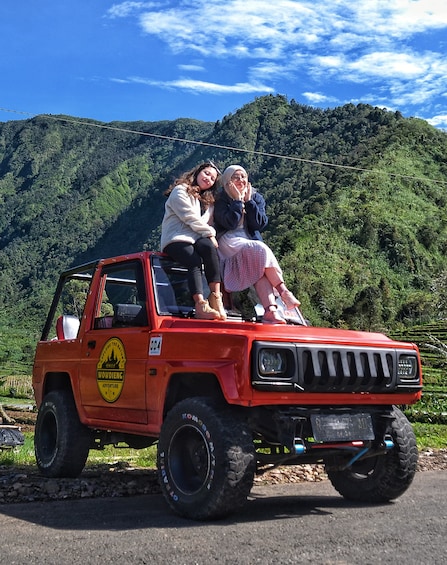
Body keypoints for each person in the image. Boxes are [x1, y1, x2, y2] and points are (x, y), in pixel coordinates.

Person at [213, 164, 300, 324]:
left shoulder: (255, 196)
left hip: (249, 241)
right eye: (235, 177)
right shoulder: (221, 198)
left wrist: (249, 202)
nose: (240, 180)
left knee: (261, 271)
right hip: (229, 240)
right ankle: (283, 291)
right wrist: (238, 202)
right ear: (227, 181)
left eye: (243, 176)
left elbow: (259, 224)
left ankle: (271, 310)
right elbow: (229, 223)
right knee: (260, 248)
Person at [160, 162, 226, 320]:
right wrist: (210, 233)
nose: (208, 178)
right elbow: (190, 218)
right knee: (193, 260)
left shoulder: (205, 201)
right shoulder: (180, 191)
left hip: (195, 237)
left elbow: (204, 223)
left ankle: (216, 298)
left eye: (212, 178)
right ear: (197, 172)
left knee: (210, 248)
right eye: (206, 173)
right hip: (176, 238)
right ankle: (200, 304)